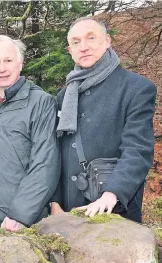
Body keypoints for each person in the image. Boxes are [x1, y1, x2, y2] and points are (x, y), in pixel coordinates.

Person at [50, 18, 156, 222]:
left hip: (114, 211)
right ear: (69, 49)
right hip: (68, 212)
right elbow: (58, 151)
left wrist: (112, 194)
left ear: (107, 41)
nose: (84, 47)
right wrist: (55, 202)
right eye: (76, 42)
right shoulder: (65, 95)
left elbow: (138, 149)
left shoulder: (135, 88)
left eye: (91, 38)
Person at [0, 36, 59, 231]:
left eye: (8, 60)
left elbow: (45, 163)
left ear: (20, 63)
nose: (2, 68)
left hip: (18, 222)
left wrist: (20, 214)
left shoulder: (41, 102)